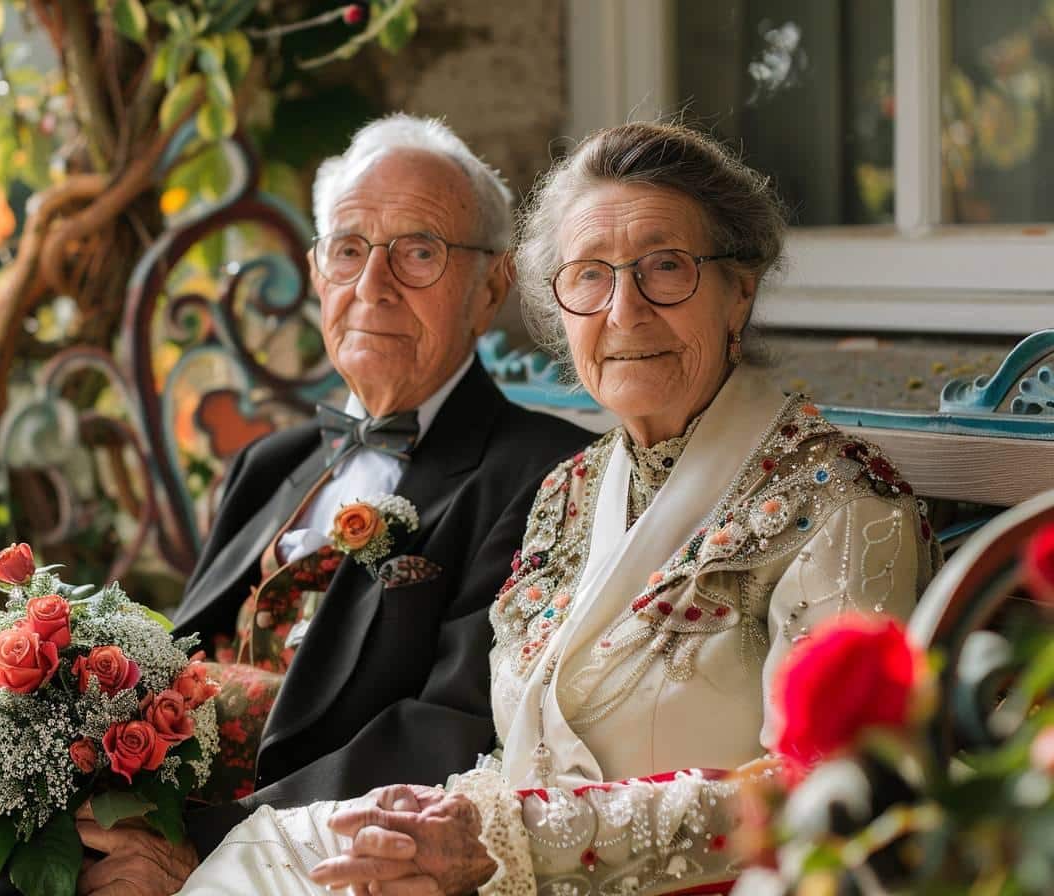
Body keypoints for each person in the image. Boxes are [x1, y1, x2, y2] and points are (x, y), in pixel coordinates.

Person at [0, 115, 591, 896]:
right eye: (348, 249)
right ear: (315, 272)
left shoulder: (538, 471)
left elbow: (450, 729)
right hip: (128, 809)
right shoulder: (273, 463)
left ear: (490, 287)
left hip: (284, 843)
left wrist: (208, 843)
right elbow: (182, 658)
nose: (371, 285)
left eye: (418, 252)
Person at [177, 121, 942, 895]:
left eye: (665, 268)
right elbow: (520, 756)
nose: (624, 312)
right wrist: (423, 826)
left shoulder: (844, 505)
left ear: (739, 289)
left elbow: (830, 787)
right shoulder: (567, 491)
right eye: (590, 276)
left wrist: (512, 843)